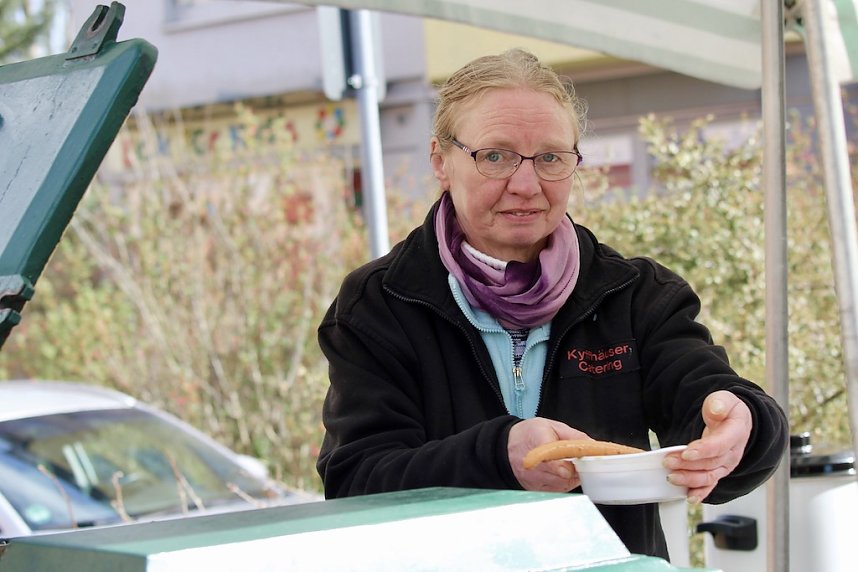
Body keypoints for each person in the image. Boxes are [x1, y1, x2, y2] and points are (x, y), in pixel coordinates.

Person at [316, 48, 788, 559]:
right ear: (441, 162)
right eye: (494, 156)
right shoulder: (380, 304)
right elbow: (358, 482)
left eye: (550, 158)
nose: (526, 185)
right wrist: (499, 458)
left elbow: (705, 395)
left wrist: (741, 425)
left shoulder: (633, 294)